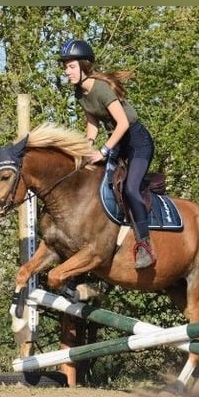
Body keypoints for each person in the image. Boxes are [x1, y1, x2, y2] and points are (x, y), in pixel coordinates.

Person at [58, 38, 157, 270]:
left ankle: (144, 245)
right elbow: (92, 124)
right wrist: (85, 148)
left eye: (70, 66)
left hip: (137, 142)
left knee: (131, 188)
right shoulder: (79, 93)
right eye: (65, 67)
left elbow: (122, 123)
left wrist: (103, 150)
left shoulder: (100, 88)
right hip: (119, 143)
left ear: (84, 66)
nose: (66, 71)